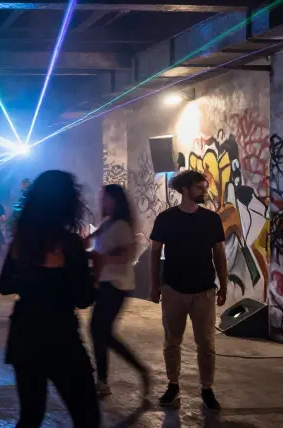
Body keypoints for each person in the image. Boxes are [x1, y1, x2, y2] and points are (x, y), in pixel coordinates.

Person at [0, 170, 119, 428]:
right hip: (61, 339)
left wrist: (32, 279)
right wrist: (95, 271)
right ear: (68, 203)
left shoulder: (21, 242)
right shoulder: (69, 244)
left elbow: (5, 286)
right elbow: (82, 299)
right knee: (86, 418)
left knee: (30, 416)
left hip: (24, 335)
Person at [148, 169, 226, 410]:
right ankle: (173, 385)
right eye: (199, 187)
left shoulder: (211, 219)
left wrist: (224, 285)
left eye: (204, 187)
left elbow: (219, 253)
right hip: (173, 289)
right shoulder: (166, 218)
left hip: (204, 290)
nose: (204, 191)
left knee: (207, 343)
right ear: (185, 189)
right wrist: (154, 285)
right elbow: (154, 253)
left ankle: (207, 389)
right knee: (172, 341)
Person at [88, 184, 150, 398]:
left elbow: (128, 256)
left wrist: (102, 259)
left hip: (116, 285)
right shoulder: (108, 223)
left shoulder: (122, 226)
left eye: (105, 198)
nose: (102, 202)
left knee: (99, 331)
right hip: (106, 283)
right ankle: (107, 379)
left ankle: (106, 380)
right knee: (101, 332)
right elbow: (91, 242)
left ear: (115, 200)